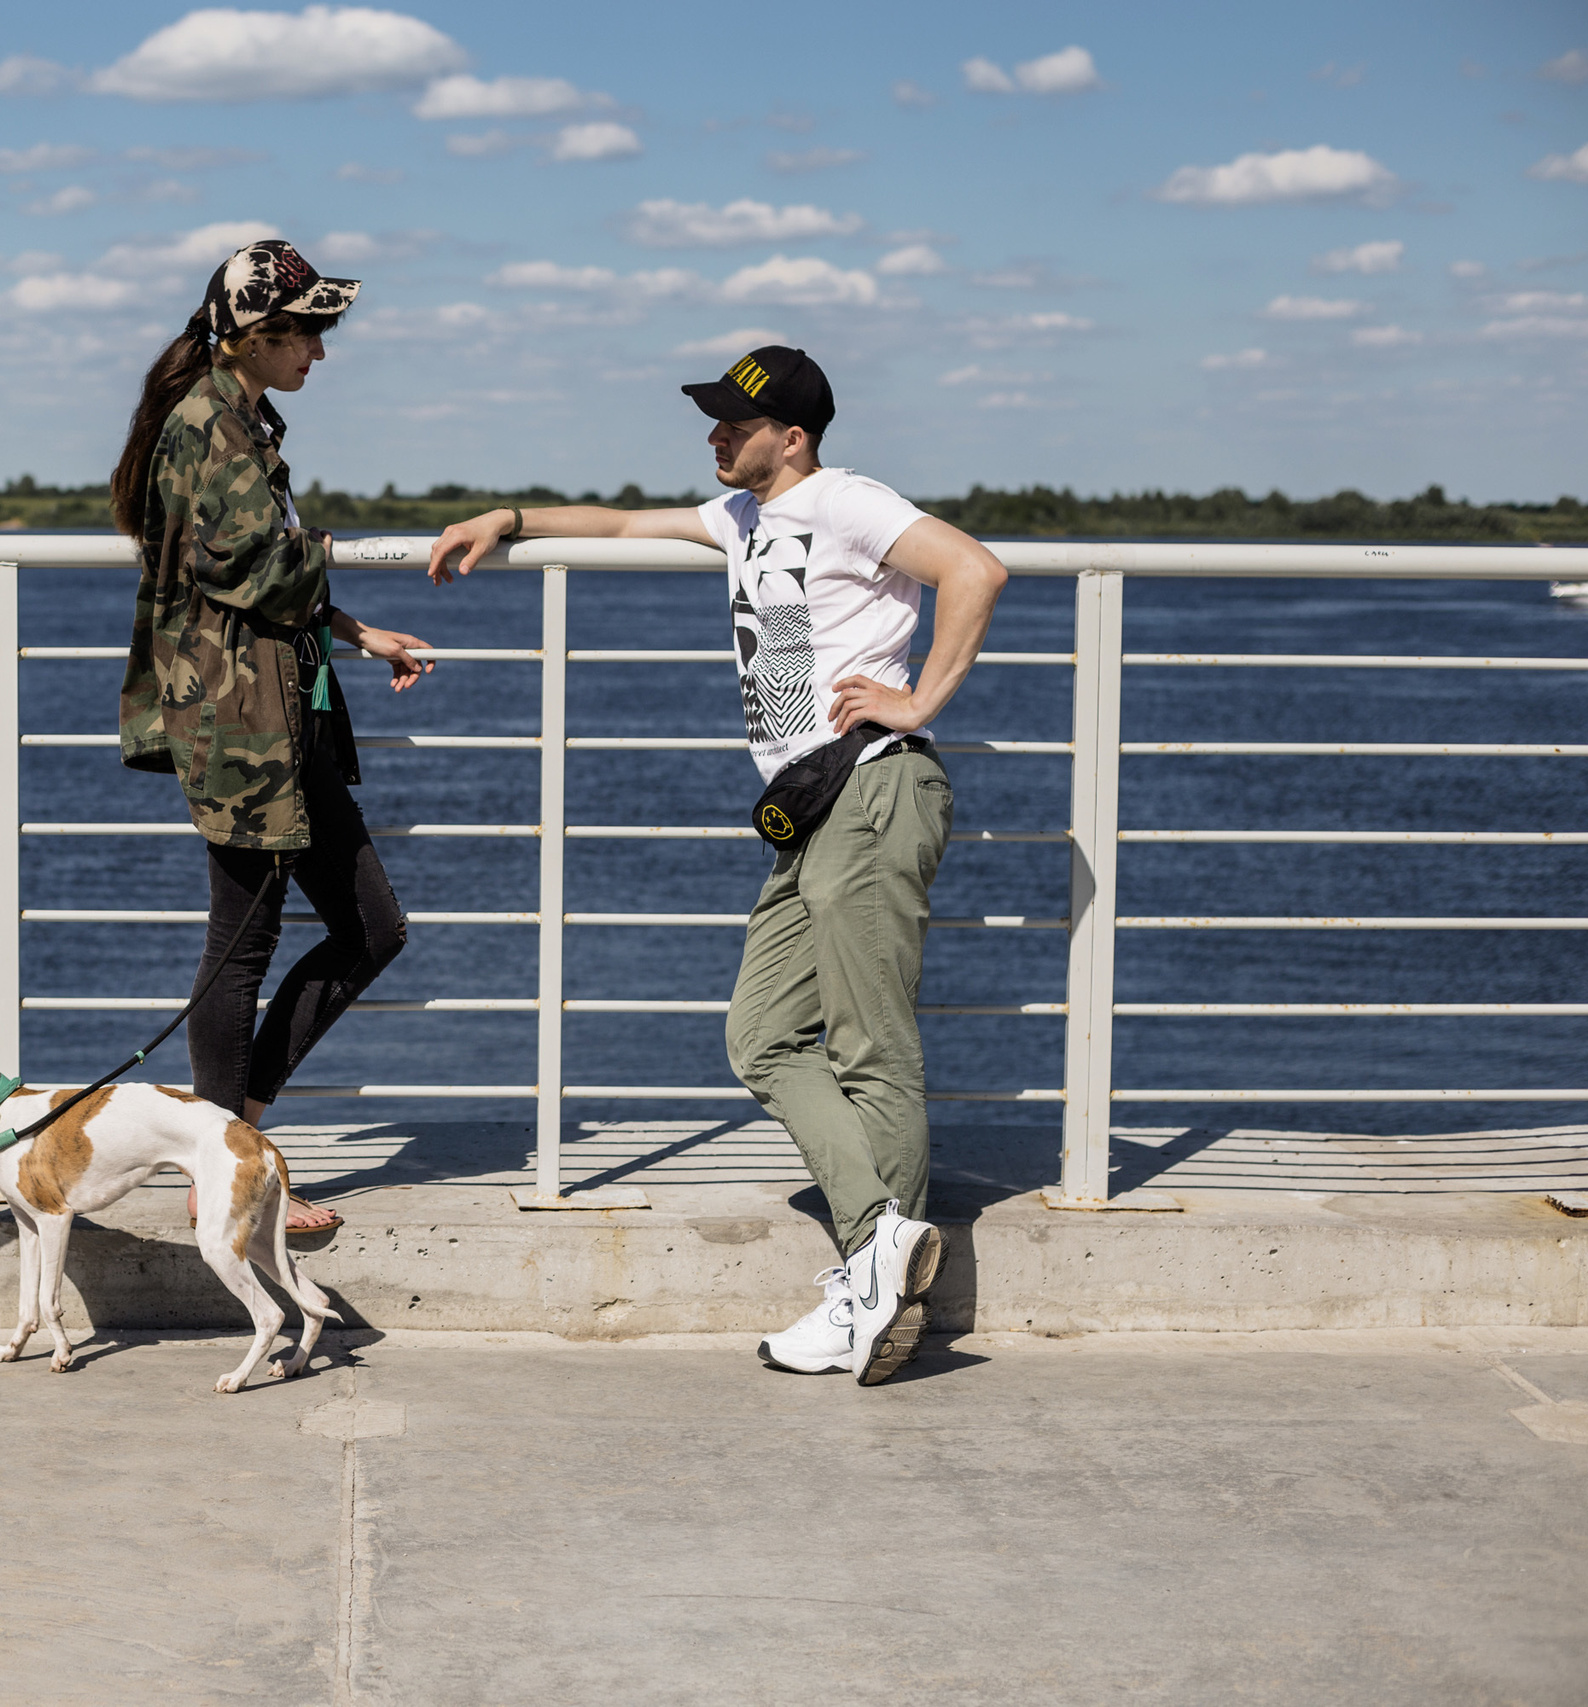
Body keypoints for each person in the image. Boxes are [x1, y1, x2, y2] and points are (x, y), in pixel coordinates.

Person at [427, 344, 1007, 1384]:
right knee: (760, 1036)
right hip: (813, 806)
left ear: (792, 437)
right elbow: (613, 525)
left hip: (873, 784)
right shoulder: (738, 517)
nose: (714, 438)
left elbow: (974, 569)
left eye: (735, 426)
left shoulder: (843, 500)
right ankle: (878, 1251)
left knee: (869, 1045)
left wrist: (918, 701)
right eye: (712, 423)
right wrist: (503, 520)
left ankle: (874, 1279)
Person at [114, 238, 438, 1233]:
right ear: (259, 331)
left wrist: (352, 627)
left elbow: (261, 570)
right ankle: (229, 1172)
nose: (320, 354)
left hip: (275, 711)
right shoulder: (207, 422)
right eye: (308, 333)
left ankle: (237, 1146)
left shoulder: (240, 416)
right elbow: (251, 564)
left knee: (370, 928)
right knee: (241, 946)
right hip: (239, 721)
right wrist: (344, 560)